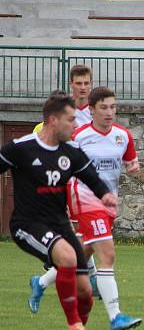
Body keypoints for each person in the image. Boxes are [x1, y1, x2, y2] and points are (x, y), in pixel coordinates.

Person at [0, 91, 116, 330]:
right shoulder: (21, 147)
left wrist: (105, 195)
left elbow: (91, 177)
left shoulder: (71, 151)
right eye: (71, 120)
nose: (75, 125)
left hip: (59, 223)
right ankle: (75, 326)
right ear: (53, 120)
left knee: (86, 291)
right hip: (27, 224)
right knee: (66, 257)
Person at [70, 87, 143, 330]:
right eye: (104, 107)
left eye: (113, 107)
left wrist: (136, 170)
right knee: (108, 254)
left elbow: (131, 165)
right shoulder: (78, 136)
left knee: (83, 252)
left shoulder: (123, 136)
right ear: (91, 110)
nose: (110, 112)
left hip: (109, 203)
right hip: (85, 199)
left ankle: (44, 280)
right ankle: (116, 317)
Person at [29, 64, 99, 312]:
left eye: (86, 83)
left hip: (88, 182)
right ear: (71, 84)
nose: (82, 87)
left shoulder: (96, 110)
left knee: (90, 238)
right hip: (66, 181)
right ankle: (93, 278)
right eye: (78, 83)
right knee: (87, 238)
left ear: (91, 83)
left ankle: (45, 281)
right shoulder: (62, 111)